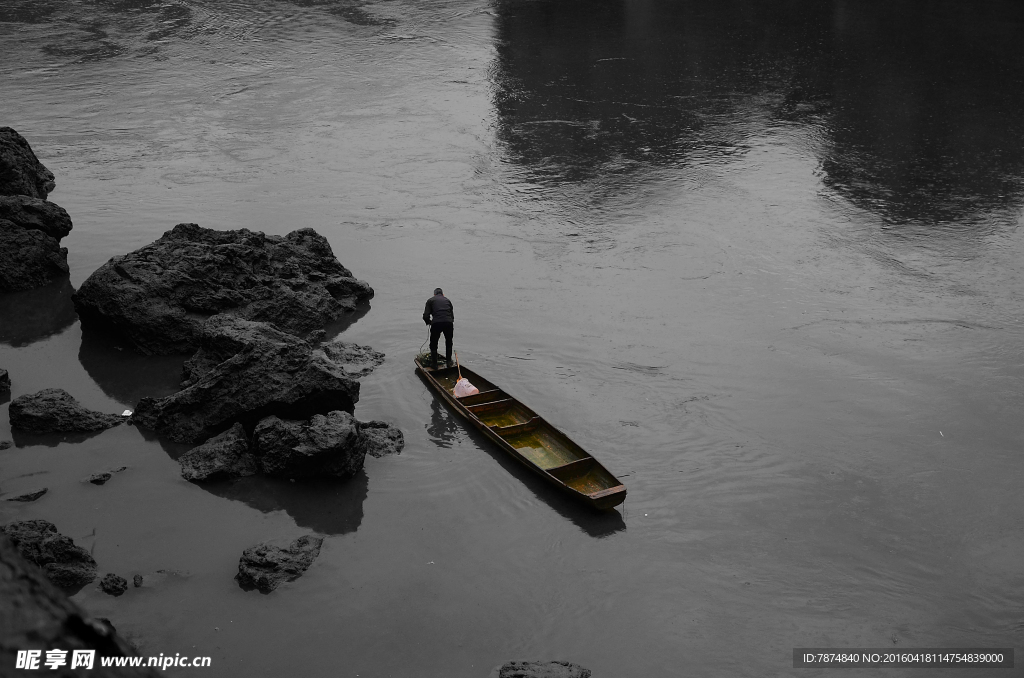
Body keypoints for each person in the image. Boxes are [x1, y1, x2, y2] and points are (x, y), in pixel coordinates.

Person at [423, 287, 454, 368]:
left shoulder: (430, 300)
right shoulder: (447, 300)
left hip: (436, 323)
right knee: (449, 342)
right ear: (443, 294)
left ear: (434, 294)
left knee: (433, 343)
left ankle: (434, 365)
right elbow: (452, 316)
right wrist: (449, 322)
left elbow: (426, 315)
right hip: (448, 323)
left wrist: (429, 322)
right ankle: (449, 362)